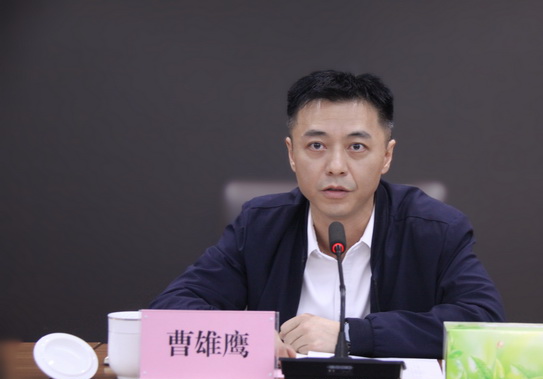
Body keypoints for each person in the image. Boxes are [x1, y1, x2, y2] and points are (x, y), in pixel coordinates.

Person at [149, 70, 505, 359]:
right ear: (292, 154)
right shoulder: (259, 226)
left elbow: (484, 326)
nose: (336, 166)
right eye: (316, 146)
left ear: (386, 156)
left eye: (357, 147)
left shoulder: (435, 229)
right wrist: (249, 337)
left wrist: (349, 335)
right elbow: (169, 310)